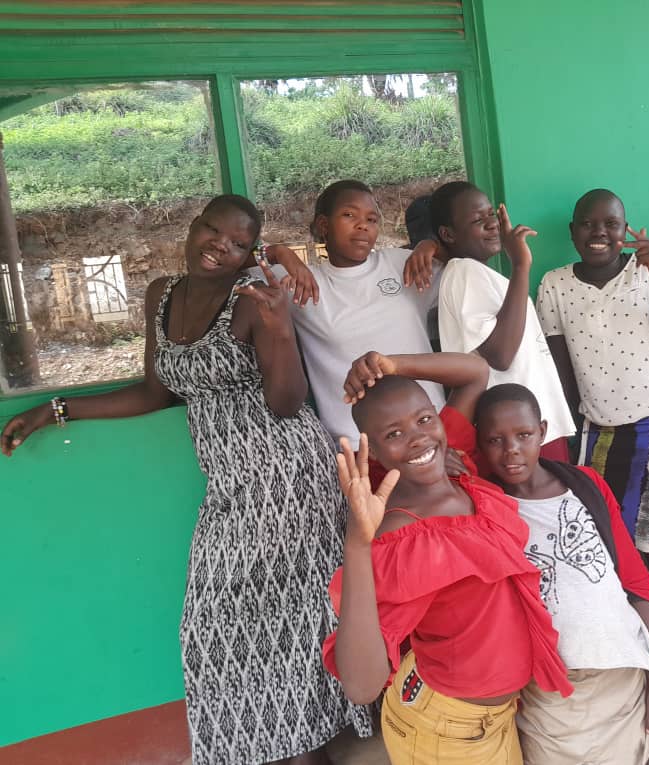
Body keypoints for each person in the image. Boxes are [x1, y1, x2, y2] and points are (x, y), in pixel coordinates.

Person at [1, 195, 368, 764]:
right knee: (211, 630)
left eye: (238, 242)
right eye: (212, 230)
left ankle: (306, 749)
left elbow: (287, 403)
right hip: (230, 486)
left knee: (298, 620)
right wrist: (55, 409)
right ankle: (275, 744)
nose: (221, 246)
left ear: (249, 251)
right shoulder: (163, 294)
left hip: (290, 479)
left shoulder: (252, 300)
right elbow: (158, 389)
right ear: (193, 228)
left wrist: (279, 331)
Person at [323, 351, 572, 765]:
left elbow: (476, 373)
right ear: (376, 454)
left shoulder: (455, 469)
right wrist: (358, 546)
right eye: (394, 434)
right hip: (449, 732)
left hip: (492, 718)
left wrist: (393, 364)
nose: (419, 438)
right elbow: (361, 685)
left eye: (424, 419)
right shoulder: (400, 536)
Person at [474, 382, 649, 765]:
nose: (512, 449)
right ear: (480, 446)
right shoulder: (485, 506)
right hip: (553, 692)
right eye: (495, 440)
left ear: (543, 432)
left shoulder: (586, 487)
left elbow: (638, 588)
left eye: (524, 435)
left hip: (621, 673)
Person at [536, 188, 649, 643]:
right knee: (609, 537)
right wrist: (567, 436)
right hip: (598, 427)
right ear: (572, 232)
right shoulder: (553, 284)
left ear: (626, 230)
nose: (600, 233)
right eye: (588, 224)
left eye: (611, 223)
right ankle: (626, 634)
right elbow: (559, 367)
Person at [264, 179, 445, 447]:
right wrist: (278, 253)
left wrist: (431, 246)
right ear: (324, 226)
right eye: (349, 215)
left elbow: (467, 258)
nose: (363, 225)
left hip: (433, 429)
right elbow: (236, 257)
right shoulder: (299, 282)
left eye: (371, 219)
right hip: (359, 445)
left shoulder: (399, 264)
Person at [429, 180, 575, 460]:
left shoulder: (479, 274)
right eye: (476, 219)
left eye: (491, 215)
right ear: (448, 234)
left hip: (528, 430)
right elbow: (500, 354)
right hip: (517, 438)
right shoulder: (464, 273)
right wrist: (520, 265)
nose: (491, 224)